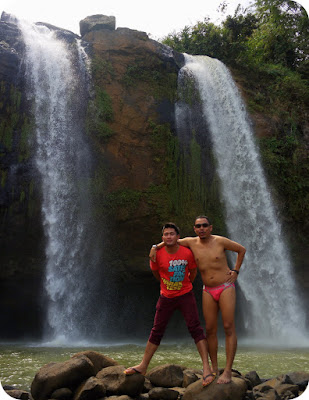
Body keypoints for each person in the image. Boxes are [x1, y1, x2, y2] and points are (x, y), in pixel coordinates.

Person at [149, 216, 246, 384]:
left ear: (210, 227)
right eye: (198, 226)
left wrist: (236, 271)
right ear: (194, 229)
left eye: (204, 225)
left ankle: (228, 370)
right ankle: (214, 368)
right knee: (209, 329)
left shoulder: (220, 241)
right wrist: (155, 247)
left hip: (225, 286)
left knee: (229, 326)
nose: (201, 228)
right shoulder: (191, 242)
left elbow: (241, 250)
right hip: (207, 289)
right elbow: (171, 240)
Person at [124, 222, 215, 387]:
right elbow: (155, 272)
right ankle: (143, 365)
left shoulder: (187, 252)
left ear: (178, 237)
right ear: (162, 238)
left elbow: (193, 271)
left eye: (172, 234)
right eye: (166, 234)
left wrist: (185, 284)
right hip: (166, 297)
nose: (169, 237)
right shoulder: (156, 255)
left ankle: (207, 368)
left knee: (196, 329)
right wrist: (165, 286)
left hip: (185, 295)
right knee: (157, 330)